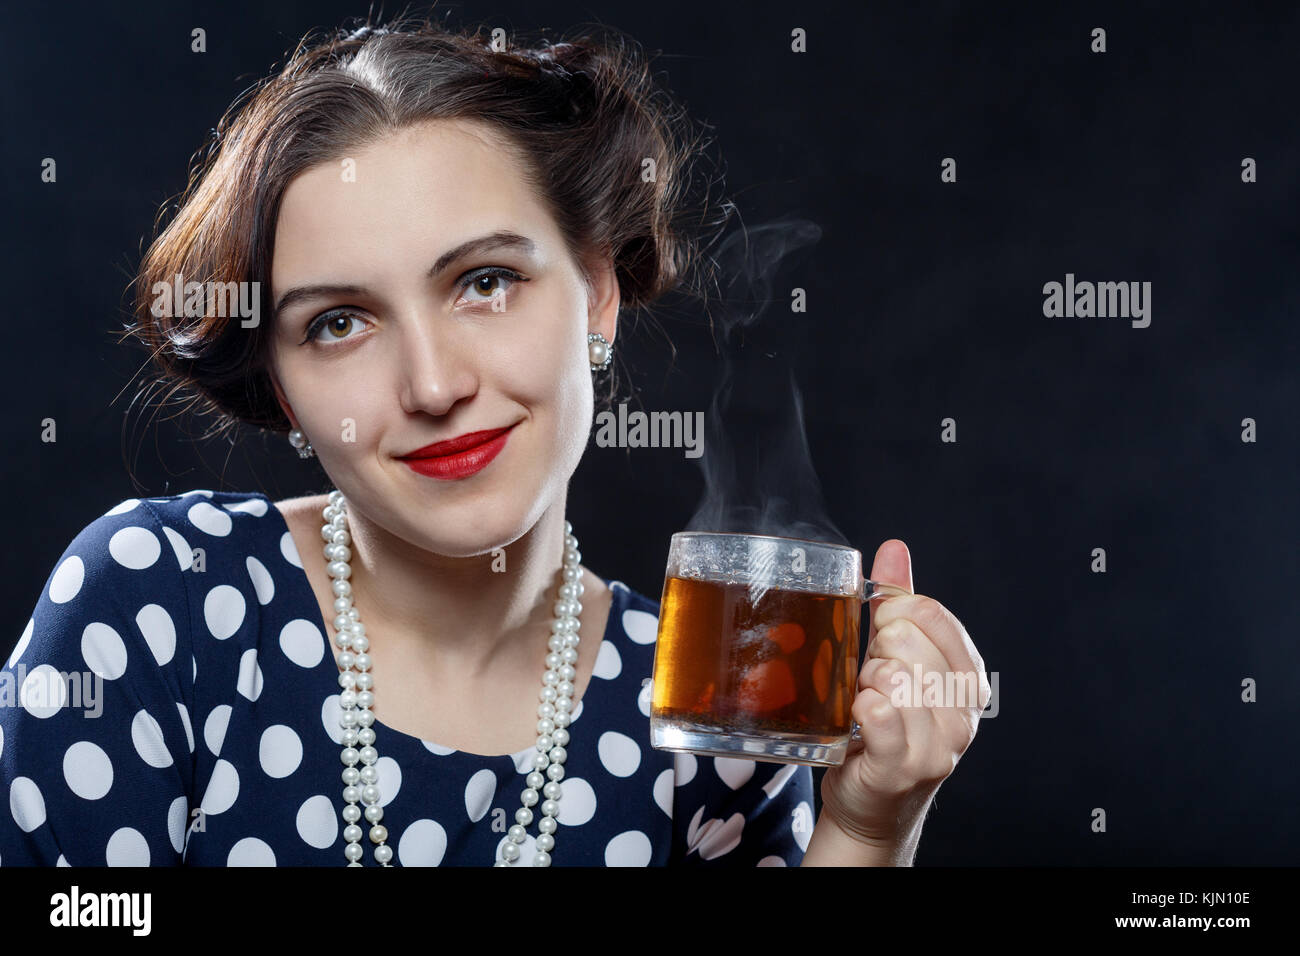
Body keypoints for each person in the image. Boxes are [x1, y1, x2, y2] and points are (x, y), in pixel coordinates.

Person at [0, 15, 987, 867]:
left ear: (597, 294)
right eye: (338, 321)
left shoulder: (716, 720)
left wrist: (866, 827)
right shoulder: (152, 604)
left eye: (484, 281)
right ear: (283, 387)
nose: (434, 385)